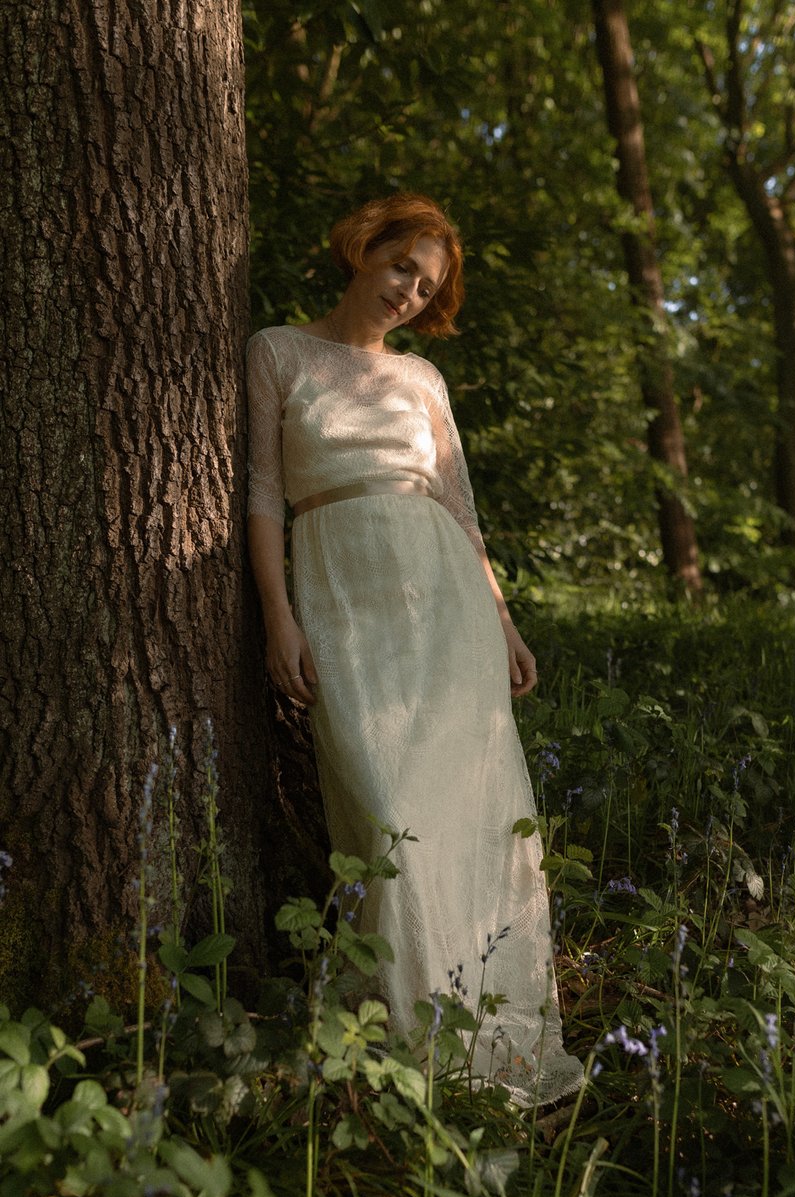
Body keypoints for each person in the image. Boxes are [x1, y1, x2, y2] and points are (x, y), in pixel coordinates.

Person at [246, 193, 583, 1106]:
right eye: (402, 266)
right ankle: (408, 1049)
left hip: (446, 610)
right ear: (365, 247)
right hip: (344, 601)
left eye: (425, 285)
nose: (408, 292)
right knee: (387, 812)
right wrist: (279, 617)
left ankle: (481, 1045)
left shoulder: (424, 381)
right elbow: (265, 496)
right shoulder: (278, 350)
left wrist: (504, 622)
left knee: (470, 818)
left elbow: (460, 512)